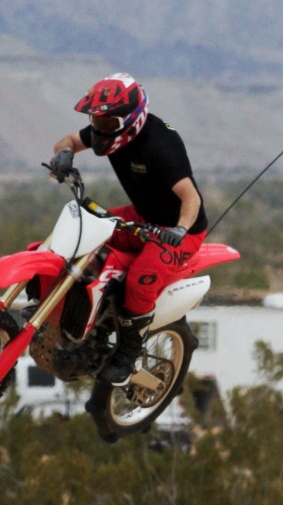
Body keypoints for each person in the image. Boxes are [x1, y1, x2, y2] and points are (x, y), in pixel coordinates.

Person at [50, 75, 206, 429]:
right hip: (141, 218)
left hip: (176, 232)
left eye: (107, 123)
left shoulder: (161, 145)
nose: (100, 130)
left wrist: (178, 231)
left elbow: (191, 197)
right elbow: (70, 141)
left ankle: (128, 350)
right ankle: (80, 313)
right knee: (81, 231)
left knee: (140, 280)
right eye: (97, 121)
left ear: (132, 119)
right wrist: (62, 155)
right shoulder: (108, 131)